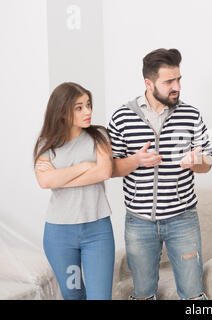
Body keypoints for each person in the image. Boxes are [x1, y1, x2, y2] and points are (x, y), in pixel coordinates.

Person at [107, 48, 212, 300]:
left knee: (192, 294)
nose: (176, 86)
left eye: (178, 79)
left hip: (183, 219)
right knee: (143, 293)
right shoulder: (122, 117)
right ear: (149, 83)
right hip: (139, 222)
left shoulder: (191, 114)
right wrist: (136, 160)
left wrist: (196, 162)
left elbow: (208, 160)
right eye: (168, 82)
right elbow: (110, 168)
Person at [33, 82, 115, 300]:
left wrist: (60, 178)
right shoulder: (46, 144)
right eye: (79, 107)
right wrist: (85, 167)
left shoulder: (99, 136)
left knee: (100, 297)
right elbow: (44, 181)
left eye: (88, 105)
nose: (87, 111)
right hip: (60, 236)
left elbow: (104, 172)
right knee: (73, 295)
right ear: (61, 111)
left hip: (97, 232)